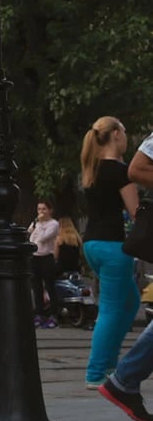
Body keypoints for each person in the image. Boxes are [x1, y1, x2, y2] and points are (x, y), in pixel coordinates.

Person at [79, 116, 141, 387]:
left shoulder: (92, 169)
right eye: (125, 132)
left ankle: (110, 362)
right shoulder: (120, 171)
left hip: (92, 244)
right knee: (112, 310)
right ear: (116, 134)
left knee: (130, 303)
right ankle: (96, 373)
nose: (127, 138)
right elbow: (136, 212)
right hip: (114, 246)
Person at [30, 199, 61, 327]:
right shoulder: (37, 223)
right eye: (39, 209)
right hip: (35, 257)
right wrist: (36, 223)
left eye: (44, 209)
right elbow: (30, 235)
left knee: (49, 286)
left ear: (50, 210)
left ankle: (53, 315)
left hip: (47, 256)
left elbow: (43, 238)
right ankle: (39, 313)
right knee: (37, 287)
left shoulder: (53, 224)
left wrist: (41, 225)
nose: (41, 212)